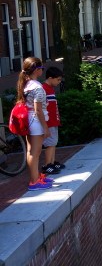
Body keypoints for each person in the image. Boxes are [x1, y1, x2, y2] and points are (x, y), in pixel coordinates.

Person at [17, 57, 53, 190]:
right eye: (41, 68)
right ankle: (34, 181)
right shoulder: (37, 87)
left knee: (30, 151)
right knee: (35, 152)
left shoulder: (26, 84)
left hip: (29, 120)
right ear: (37, 70)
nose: (42, 71)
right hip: (36, 122)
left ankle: (36, 177)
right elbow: (38, 109)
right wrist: (45, 127)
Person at [41, 67, 65, 175]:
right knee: (50, 143)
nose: (59, 82)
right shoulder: (43, 89)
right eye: (58, 80)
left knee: (53, 142)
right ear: (50, 78)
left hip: (54, 120)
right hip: (49, 121)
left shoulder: (50, 88)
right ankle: (47, 165)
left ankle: (52, 161)